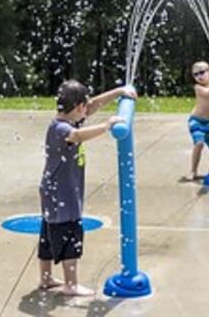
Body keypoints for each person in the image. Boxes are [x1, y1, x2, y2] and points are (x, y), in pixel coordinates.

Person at [38, 79, 136, 296]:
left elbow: (92, 106)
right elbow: (76, 136)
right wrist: (106, 126)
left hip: (54, 192)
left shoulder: (69, 119)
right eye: (85, 107)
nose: (88, 110)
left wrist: (119, 91)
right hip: (62, 194)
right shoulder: (62, 128)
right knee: (69, 233)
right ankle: (70, 285)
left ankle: (45, 279)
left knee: (48, 233)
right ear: (78, 107)